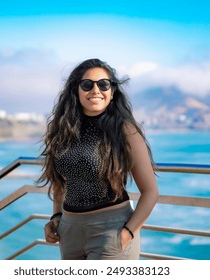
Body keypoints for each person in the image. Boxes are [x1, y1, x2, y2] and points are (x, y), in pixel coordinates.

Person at [38, 58, 159, 260]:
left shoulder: (125, 130)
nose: (96, 90)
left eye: (103, 84)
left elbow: (151, 191)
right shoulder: (64, 130)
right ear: (76, 91)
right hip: (70, 231)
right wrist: (57, 215)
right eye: (87, 85)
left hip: (111, 230)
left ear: (112, 92)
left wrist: (127, 232)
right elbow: (61, 180)